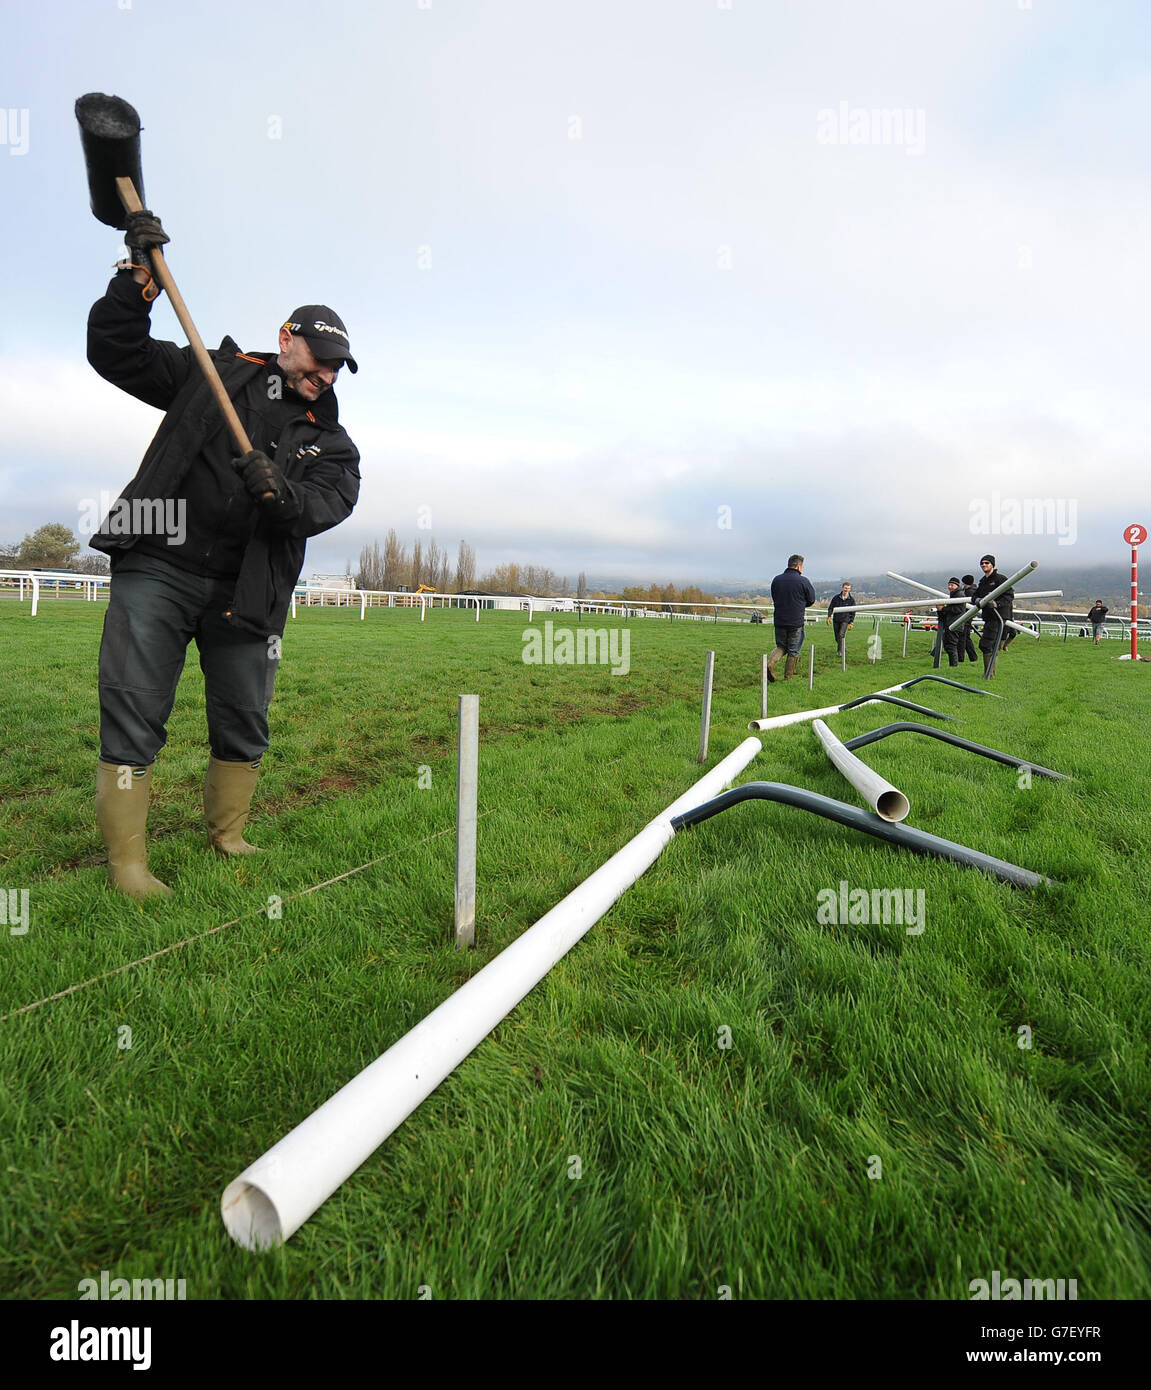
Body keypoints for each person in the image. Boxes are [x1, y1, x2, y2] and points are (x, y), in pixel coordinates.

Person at [87, 208, 361, 897]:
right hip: (158, 566)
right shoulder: (211, 373)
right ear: (285, 340)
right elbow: (116, 352)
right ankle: (128, 867)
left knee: (243, 715)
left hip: (249, 593)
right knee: (133, 703)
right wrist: (137, 279)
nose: (326, 376)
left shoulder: (329, 442)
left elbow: (330, 504)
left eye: (337, 369)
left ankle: (229, 835)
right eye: (318, 360)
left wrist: (282, 496)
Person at [768, 554, 816, 680]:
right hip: (796, 622)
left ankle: (770, 663)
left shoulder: (776, 580)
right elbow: (811, 600)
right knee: (794, 650)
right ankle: (788, 678)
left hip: (779, 620)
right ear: (799, 566)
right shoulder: (803, 581)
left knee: (781, 646)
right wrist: (800, 605)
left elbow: (774, 596)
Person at [971, 555, 1014, 677]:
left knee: (986, 644)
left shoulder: (1001, 579)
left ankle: (989, 674)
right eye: (982, 563)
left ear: (992, 565)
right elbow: (974, 596)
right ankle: (989, 673)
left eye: (986, 563)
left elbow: (1010, 595)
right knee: (988, 645)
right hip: (988, 617)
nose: (984, 565)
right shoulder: (982, 582)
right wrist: (977, 600)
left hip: (998, 617)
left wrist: (996, 603)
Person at [937, 578, 965, 666]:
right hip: (953, 623)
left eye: (952, 585)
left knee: (951, 645)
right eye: (949, 585)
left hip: (955, 623)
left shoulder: (959, 595)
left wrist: (943, 608)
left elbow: (958, 609)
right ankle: (953, 665)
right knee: (949, 645)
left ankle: (954, 666)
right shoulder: (955, 594)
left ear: (957, 585)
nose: (950, 587)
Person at [826, 581, 856, 657]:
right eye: (845, 588)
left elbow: (853, 612)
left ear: (850, 589)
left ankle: (839, 651)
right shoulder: (836, 598)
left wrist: (851, 622)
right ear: (842, 588)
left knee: (841, 635)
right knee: (837, 638)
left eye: (848, 588)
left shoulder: (851, 600)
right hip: (836, 620)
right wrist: (829, 616)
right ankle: (843, 647)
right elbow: (830, 608)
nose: (847, 590)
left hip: (845, 620)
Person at [959, 575, 979, 662]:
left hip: (966, 616)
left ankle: (961, 658)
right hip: (969, 616)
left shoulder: (969, 592)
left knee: (963, 638)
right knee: (966, 638)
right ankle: (973, 657)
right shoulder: (972, 590)